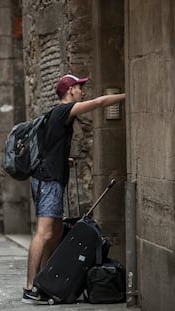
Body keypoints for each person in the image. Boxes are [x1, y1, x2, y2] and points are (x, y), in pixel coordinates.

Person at [22, 74, 126, 304]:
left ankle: (45, 280)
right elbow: (99, 103)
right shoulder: (63, 111)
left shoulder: (54, 115)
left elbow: (50, 146)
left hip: (50, 178)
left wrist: (63, 160)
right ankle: (30, 287)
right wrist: (127, 96)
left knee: (56, 232)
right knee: (44, 232)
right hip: (48, 181)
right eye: (79, 87)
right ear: (70, 90)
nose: (82, 91)